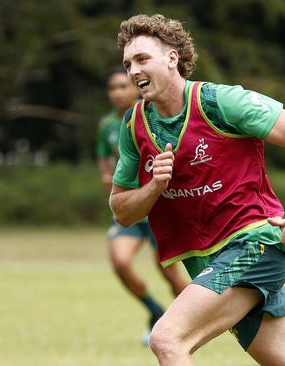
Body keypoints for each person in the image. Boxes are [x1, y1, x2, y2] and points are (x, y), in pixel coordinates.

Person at [111, 14, 285, 366]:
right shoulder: (134, 124)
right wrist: (153, 187)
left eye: (142, 59)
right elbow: (121, 210)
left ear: (172, 58)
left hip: (254, 246)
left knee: (167, 339)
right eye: (128, 63)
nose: (133, 70)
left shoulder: (219, 102)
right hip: (207, 262)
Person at [96, 67, 188, 344]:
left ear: (137, 87)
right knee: (120, 262)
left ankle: (190, 323)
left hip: (160, 209)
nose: (118, 92)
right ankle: (155, 310)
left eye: (123, 86)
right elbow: (104, 164)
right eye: (113, 88)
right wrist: (109, 180)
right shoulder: (107, 126)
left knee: (171, 276)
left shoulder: (153, 116)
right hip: (132, 210)